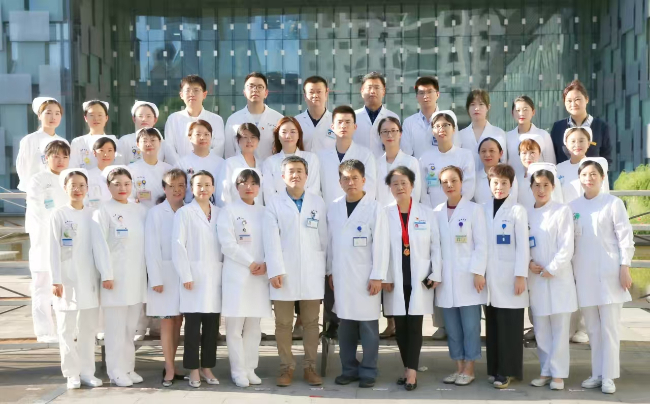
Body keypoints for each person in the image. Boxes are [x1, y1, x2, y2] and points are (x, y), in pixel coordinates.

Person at [569, 160, 634, 394]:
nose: (589, 178)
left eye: (594, 174)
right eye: (584, 174)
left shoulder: (613, 203)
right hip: (584, 273)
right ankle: (597, 373)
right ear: (579, 178)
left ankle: (609, 376)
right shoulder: (572, 207)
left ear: (602, 177)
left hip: (610, 273)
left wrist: (625, 266)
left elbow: (625, 238)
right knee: (593, 329)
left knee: (609, 328)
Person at [263, 156, 328, 387]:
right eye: (291, 171)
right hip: (284, 271)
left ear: (307, 175)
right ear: (283, 176)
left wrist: (324, 268)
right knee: (283, 324)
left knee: (311, 322)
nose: (296, 175)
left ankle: (310, 367)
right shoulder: (274, 203)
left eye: (300, 171)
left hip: (312, 270)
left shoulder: (317, 202)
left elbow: (324, 239)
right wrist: (275, 270)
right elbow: (270, 239)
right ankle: (286, 368)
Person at [327, 160, 387, 388]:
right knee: (346, 327)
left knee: (368, 328)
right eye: (345, 178)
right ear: (340, 182)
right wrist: (330, 271)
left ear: (363, 180)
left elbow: (381, 245)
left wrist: (377, 275)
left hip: (366, 277)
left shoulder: (374, 208)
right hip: (342, 276)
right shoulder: (334, 207)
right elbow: (331, 242)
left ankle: (369, 371)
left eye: (354, 178)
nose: (350, 182)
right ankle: (349, 369)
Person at [381, 166, 442, 391]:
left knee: (415, 326)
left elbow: (436, 246)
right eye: (395, 184)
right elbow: (381, 248)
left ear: (412, 185)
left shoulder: (426, 213)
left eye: (404, 183)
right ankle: (408, 368)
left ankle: (412, 372)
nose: (400, 187)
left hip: (419, 277)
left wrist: (436, 272)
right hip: (395, 277)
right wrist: (384, 276)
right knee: (401, 326)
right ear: (390, 188)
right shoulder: (384, 213)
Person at [419, 110, 474, 339]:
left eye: (446, 126)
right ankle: (441, 324)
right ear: (432, 130)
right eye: (437, 126)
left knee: (457, 268)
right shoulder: (425, 158)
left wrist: (456, 209)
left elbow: (468, 187)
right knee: (436, 267)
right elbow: (422, 191)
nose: (441, 130)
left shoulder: (464, 155)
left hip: (459, 217)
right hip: (434, 218)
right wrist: (432, 215)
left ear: (453, 129)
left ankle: (460, 323)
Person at [91, 166, 147, 387]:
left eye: (126, 184)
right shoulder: (102, 211)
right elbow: (100, 246)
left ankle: (128, 368)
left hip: (136, 278)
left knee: (129, 329)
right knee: (115, 329)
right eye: (117, 184)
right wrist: (106, 274)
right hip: (114, 279)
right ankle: (115, 371)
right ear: (108, 186)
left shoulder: (139, 210)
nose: (122, 188)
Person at [217, 169, 271, 388]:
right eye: (243, 183)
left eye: (253, 183)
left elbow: (272, 241)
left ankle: (250, 368)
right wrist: (250, 262)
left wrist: (266, 263)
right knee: (234, 328)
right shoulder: (228, 211)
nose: (249, 187)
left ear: (259, 187)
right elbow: (227, 244)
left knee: (254, 327)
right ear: (236, 186)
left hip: (260, 275)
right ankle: (238, 371)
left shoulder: (265, 211)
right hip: (237, 274)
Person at [434, 166, 487, 387]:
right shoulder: (436, 212)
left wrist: (478, 272)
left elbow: (481, 244)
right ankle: (458, 368)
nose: (449, 185)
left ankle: (470, 368)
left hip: (468, 278)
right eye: (445, 182)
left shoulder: (474, 210)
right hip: (445, 279)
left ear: (461, 182)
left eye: (453, 180)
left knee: (471, 326)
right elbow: (434, 246)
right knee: (453, 328)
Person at [50, 168, 103, 390]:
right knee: (66, 330)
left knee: (88, 330)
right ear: (65, 188)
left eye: (82, 185)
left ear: (87, 188)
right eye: (73, 186)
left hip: (89, 278)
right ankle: (71, 374)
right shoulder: (58, 214)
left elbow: (100, 249)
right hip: (66, 279)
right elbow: (53, 248)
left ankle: (88, 372)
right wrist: (55, 279)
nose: (78, 190)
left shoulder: (94, 214)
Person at [526, 169, 578, 391]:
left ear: (553, 187)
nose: (541, 190)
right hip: (536, 277)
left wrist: (553, 268)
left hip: (558, 278)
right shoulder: (526, 213)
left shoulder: (562, 210)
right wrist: (528, 262)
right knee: (541, 329)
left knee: (560, 329)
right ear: (530, 188)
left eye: (546, 185)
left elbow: (567, 246)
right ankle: (545, 370)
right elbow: (522, 244)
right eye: (537, 185)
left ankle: (558, 374)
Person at [172, 170, 223, 388]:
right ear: (191, 189)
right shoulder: (184, 213)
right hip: (192, 278)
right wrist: (186, 274)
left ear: (213, 188)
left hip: (215, 277)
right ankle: (193, 368)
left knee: (212, 328)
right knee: (193, 328)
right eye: (199, 185)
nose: (203, 189)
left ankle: (207, 367)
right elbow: (178, 245)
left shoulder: (220, 213)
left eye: (207, 185)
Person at [482, 164, 529, 389]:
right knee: (493, 325)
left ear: (511, 185)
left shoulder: (517, 210)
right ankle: (494, 368)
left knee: (510, 326)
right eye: (495, 183)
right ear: (489, 184)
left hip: (510, 277)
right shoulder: (482, 209)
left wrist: (520, 275)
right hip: (490, 278)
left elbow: (523, 247)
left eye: (504, 183)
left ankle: (507, 371)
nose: (499, 187)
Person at [144, 168, 187, 387]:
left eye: (181, 185)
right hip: (164, 274)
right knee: (167, 320)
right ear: (164, 188)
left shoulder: (189, 210)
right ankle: (168, 367)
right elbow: (151, 247)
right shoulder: (156, 213)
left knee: (178, 320)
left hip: (184, 274)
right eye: (172, 186)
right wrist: (156, 279)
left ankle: (173, 364)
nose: (177, 190)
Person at [25, 140, 70, 343]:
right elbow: (38, 210)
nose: (60, 161)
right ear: (46, 158)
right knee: (42, 285)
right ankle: (44, 331)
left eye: (64, 156)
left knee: (65, 285)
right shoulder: (38, 180)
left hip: (67, 239)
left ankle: (65, 329)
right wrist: (55, 229)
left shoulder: (70, 178)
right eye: (56, 156)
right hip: (44, 239)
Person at [318, 105, 377, 206]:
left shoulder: (366, 155)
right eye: (340, 122)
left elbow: (370, 189)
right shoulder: (321, 156)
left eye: (348, 122)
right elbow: (318, 190)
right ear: (332, 127)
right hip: (329, 211)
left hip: (358, 211)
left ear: (355, 127)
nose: (343, 126)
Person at [224, 72, 284, 160]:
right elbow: (229, 153)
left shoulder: (278, 119)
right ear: (244, 92)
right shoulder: (233, 120)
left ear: (266, 93)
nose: (255, 90)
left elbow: (282, 150)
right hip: (241, 167)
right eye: (251, 86)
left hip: (270, 167)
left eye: (260, 87)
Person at [550, 80, 612, 164]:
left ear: (587, 99)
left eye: (577, 99)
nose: (573, 104)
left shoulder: (601, 126)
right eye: (569, 101)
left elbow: (607, 158)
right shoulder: (558, 127)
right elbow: (553, 157)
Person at [164, 75, 226, 158]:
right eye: (187, 90)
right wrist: (181, 165)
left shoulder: (216, 120)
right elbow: (169, 148)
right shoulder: (173, 119)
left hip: (209, 166)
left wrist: (203, 163)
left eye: (196, 90)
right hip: (180, 166)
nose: (192, 94)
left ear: (204, 94)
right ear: (181, 95)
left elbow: (218, 148)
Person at [262, 116, 321, 202]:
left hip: (308, 207)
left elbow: (314, 189)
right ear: (278, 136)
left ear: (299, 135)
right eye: (284, 132)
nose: (288, 136)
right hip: (279, 209)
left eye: (293, 132)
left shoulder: (311, 158)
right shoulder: (269, 162)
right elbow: (269, 195)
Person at [16, 97, 66, 192]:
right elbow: (23, 169)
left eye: (57, 113)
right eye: (48, 113)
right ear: (39, 115)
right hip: (36, 191)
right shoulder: (29, 140)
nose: (53, 117)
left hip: (58, 191)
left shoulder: (63, 142)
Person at [175, 120, 226, 205]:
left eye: (206, 134)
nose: (202, 137)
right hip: (189, 209)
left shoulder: (222, 163)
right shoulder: (181, 164)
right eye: (198, 134)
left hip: (216, 209)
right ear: (190, 137)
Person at [376, 117, 421, 207]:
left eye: (393, 131)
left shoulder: (411, 162)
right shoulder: (376, 164)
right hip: (381, 213)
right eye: (385, 131)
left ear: (400, 134)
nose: (389, 135)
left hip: (404, 212)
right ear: (380, 135)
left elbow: (415, 194)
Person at [353, 72, 400, 157]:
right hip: (359, 164)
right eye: (369, 87)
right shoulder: (353, 117)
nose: (372, 91)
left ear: (383, 91)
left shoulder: (393, 117)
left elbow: (397, 146)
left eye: (377, 87)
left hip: (385, 164)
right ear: (362, 91)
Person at [505, 96, 555, 176]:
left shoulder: (543, 135)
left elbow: (550, 163)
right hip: (515, 181)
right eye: (518, 110)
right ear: (512, 113)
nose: (521, 113)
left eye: (525, 109)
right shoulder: (508, 136)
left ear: (533, 112)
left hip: (538, 180)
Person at [557, 128, 609, 203]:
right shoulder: (559, 168)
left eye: (581, 141)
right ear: (566, 144)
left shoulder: (596, 166)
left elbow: (604, 192)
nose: (577, 145)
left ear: (588, 143)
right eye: (573, 141)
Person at [457, 90, 507, 168]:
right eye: (472, 104)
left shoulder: (499, 133)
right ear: (468, 108)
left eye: (481, 104)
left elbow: (503, 162)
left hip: (492, 175)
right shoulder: (461, 135)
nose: (476, 108)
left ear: (488, 107)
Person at [117, 100, 178, 166]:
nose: (144, 119)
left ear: (155, 120)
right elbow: (119, 165)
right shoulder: (124, 141)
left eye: (148, 116)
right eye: (140, 116)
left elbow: (171, 164)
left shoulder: (162, 143)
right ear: (134, 119)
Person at [128, 128, 173, 211]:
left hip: (165, 213)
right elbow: (130, 198)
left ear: (160, 142)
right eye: (144, 141)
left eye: (153, 140)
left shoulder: (169, 169)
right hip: (141, 214)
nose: (148, 144)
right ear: (137, 144)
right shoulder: (131, 169)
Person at [221, 123, 264, 205]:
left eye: (253, 137)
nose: (249, 141)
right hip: (236, 210)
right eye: (245, 137)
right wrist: (229, 211)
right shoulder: (230, 163)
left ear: (258, 140)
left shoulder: (262, 164)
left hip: (258, 210)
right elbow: (224, 192)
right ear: (238, 140)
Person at [515, 137, 564, 209]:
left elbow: (558, 203)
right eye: (524, 153)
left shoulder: (550, 177)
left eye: (532, 152)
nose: (528, 157)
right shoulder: (517, 179)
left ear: (539, 153)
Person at [70, 100, 119, 169]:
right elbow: (72, 167)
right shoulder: (78, 142)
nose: (96, 118)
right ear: (85, 118)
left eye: (100, 115)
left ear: (106, 118)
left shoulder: (115, 141)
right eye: (91, 115)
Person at [401, 77, 441, 158]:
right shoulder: (408, 123)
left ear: (437, 94)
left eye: (430, 92)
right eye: (421, 93)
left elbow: (454, 149)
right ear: (417, 96)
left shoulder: (448, 120)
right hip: (416, 166)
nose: (426, 96)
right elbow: (406, 154)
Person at [294, 76, 334, 153]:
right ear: (305, 96)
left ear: (326, 94)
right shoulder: (296, 122)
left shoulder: (335, 121)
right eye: (311, 92)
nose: (315, 95)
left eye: (319, 92)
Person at [474, 137, 519, 205]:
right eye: (483, 151)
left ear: (501, 153)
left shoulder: (507, 173)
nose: (487, 154)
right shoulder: (476, 177)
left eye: (491, 151)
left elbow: (513, 199)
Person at [85, 137, 116, 209]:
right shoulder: (88, 175)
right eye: (101, 150)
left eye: (110, 150)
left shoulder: (121, 175)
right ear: (94, 153)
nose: (106, 154)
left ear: (114, 153)